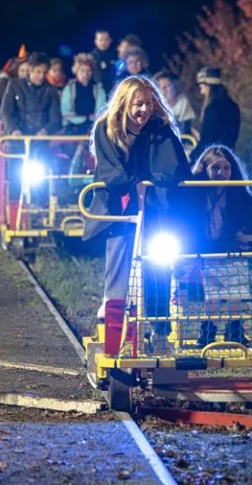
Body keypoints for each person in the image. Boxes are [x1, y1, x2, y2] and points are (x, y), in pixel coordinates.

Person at [83, 76, 193, 348]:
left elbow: (173, 167)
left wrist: (151, 185)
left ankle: (158, 330)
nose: (144, 110)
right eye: (138, 104)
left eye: (148, 103)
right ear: (124, 104)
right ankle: (115, 322)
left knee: (157, 265)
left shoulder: (160, 129)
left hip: (155, 208)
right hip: (120, 209)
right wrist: (135, 186)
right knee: (120, 259)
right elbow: (111, 172)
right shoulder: (105, 129)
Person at [190, 145, 252, 345]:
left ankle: (235, 329)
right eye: (216, 168)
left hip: (231, 245)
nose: (222, 173)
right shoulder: (195, 192)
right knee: (211, 292)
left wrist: (243, 234)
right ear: (205, 169)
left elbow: (247, 216)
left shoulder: (238, 194)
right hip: (206, 246)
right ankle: (208, 331)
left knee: (236, 290)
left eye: (226, 168)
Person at [1, 53, 61, 137]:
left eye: (44, 73)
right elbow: (5, 112)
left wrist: (46, 130)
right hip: (17, 139)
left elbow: (56, 119)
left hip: (40, 141)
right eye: (38, 72)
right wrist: (13, 129)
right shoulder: (14, 85)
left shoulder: (51, 90)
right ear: (30, 70)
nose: (41, 77)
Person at [193, 68, 240, 159]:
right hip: (228, 158)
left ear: (208, 86)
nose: (201, 92)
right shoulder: (233, 106)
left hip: (212, 159)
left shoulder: (212, 109)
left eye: (201, 87)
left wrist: (192, 157)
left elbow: (207, 139)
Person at [61, 54, 107, 133]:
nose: (85, 74)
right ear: (76, 71)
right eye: (82, 70)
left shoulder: (98, 89)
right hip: (73, 126)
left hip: (93, 125)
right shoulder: (69, 89)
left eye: (88, 70)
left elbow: (101, 110)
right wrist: (82, 119)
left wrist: (90, 119)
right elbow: (66, 111)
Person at [0, 58, 29, 130]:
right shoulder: (7, 86)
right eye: (22, 71)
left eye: (27, 71)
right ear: (17, 72)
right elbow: (0, 108)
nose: (25, 74)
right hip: (5, 128)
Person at [91, 29, 114, 94]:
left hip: (114, 89)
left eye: (106, 39)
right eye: (101, 40)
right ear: (96, 41)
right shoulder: (92, 57)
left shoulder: (117, 55)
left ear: (110, 40)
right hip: (97, 91)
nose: (103, 42)